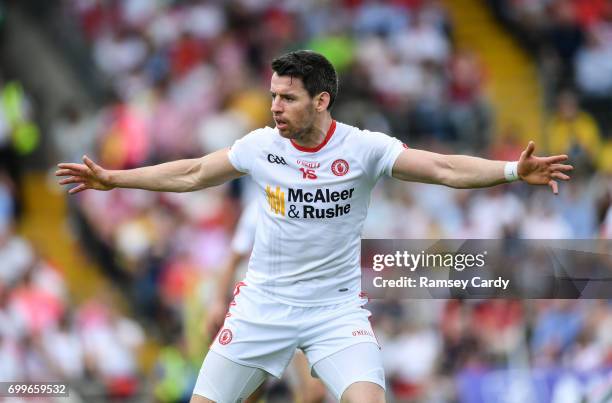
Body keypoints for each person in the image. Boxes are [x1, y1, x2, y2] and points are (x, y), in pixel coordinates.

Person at [57, 50, 573, 403]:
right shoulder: (261, 146)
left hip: (335, 309)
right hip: (263, 304)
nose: (275, 107)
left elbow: (442, 168)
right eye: (274, 96)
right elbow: (193, 172)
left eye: (288, 98)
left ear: (321, 101)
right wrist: (114, 179)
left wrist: (510, 171)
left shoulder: (363, 147)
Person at [206, 200, 327, 403]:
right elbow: (233, 258)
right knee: (252, 390)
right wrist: (217, 302)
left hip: (301, 307)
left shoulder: (318, 205)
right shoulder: (260, 207)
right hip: (261, 311)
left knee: (315, 392)